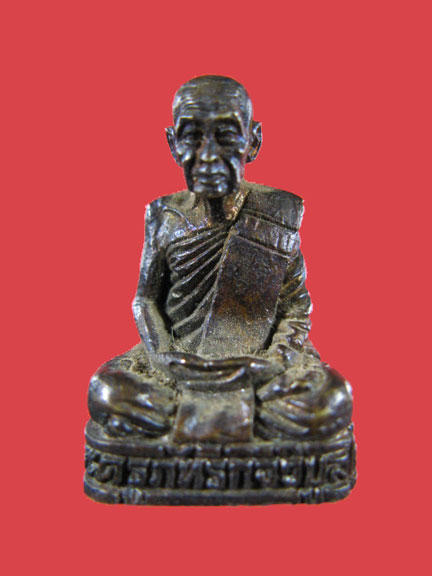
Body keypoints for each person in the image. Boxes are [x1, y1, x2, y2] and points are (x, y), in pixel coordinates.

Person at [88, 75, 352, 443]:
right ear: (173, 144)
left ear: (253, 140)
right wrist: (163, 356)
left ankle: (191, 421)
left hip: (257, 367)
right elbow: (145, 300)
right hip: (179, 365)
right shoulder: (163, 215)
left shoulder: (277, 213)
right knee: (108, 391)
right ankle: (234, 420)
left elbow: (296, 306)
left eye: (226, 136)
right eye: (192, 137)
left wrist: (276, 361)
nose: (209, 155)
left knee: (329, 399)